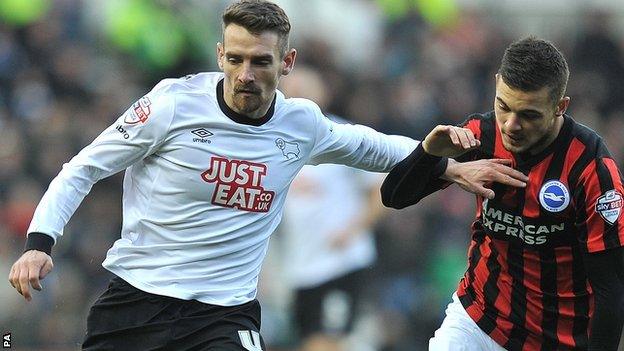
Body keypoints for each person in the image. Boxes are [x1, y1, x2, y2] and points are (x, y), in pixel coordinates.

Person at [8, 1, 527, 350]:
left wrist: (449, 166)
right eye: (234, 59)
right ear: (219, 56)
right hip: (136, 301)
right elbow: (83, 168)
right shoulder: (171, 104)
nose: (245, 74)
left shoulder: (301, 123)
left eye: (260, 61)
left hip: (223, 316)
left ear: (287, 62)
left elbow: (372, 147)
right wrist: (39, 242)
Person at [381, 37, 624, 350]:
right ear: (496, 85)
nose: (511, 125)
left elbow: (611, 288)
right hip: (479, 318)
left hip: (557, 339)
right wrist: (428, 153)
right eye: (503, 107)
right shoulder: (479, 135)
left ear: (560, 106)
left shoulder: (592, 168)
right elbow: (394, 197)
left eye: (529, 114)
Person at [277, 66, 385, 351]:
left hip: (339, 263)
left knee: (325, 343)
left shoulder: (341, 136)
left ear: (321, 95)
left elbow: (380, 191)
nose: (297, 97)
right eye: (292, 91)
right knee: (310, 341)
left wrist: (352, 230)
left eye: (304, 91)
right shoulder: (272, 143)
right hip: (301, 265)